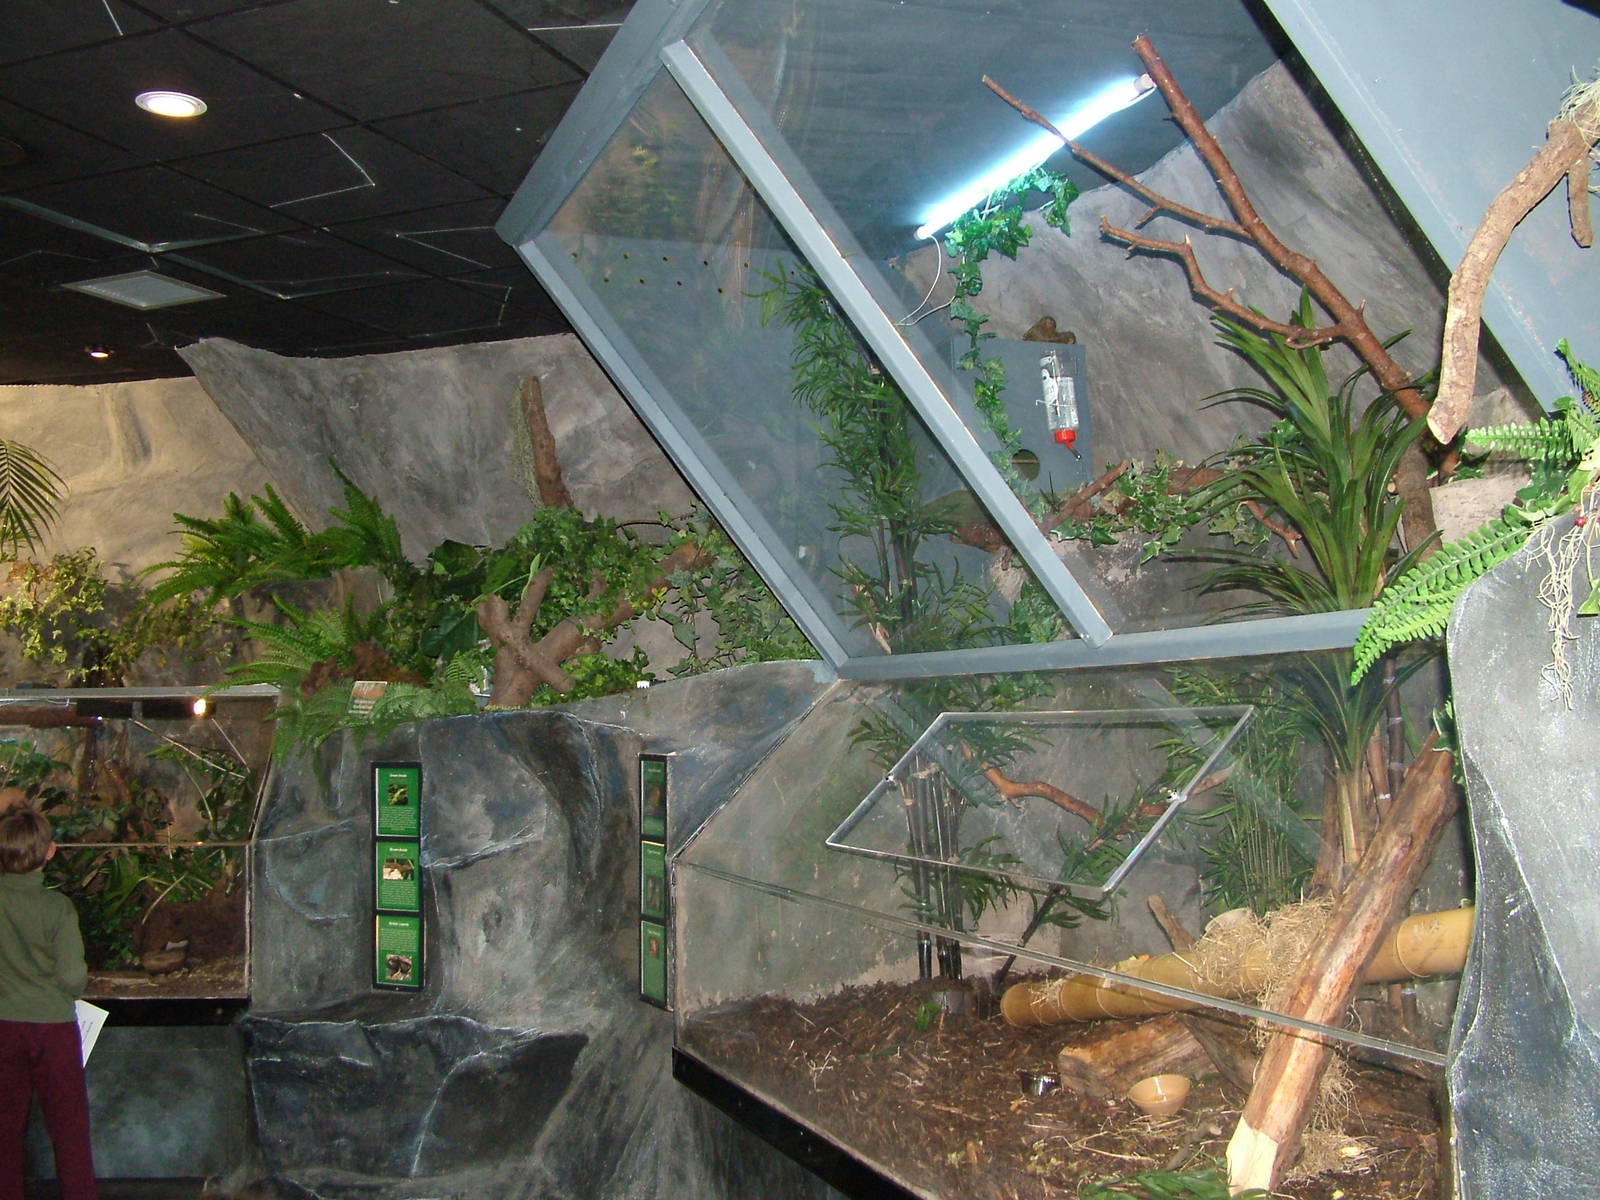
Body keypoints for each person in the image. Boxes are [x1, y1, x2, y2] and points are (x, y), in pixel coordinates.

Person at [0, 805, 98, 1200]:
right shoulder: (58, 908)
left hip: (3, 1027)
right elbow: (72, 978)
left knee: (5, 1129)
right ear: (50, 851)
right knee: (68, 1129)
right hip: (53, 1029)